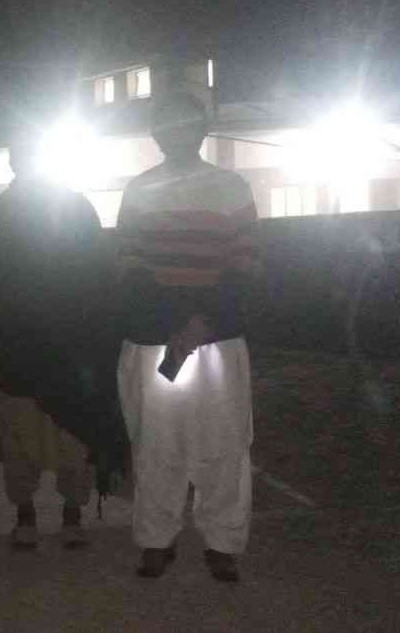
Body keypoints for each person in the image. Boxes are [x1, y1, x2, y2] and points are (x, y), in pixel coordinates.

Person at [116, 90, 262, 583]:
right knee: (156, 444)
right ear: (155, 133)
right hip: (155, 341)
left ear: (201, 129)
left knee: (224, 443)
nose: (174, 133)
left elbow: (246, 265)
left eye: (184, 124)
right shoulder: (139, 190)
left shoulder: (231, 188)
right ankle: (156, 539)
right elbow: (129, 266)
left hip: (216, 341)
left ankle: (223, 542)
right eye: (166, 125)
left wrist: (202, 322)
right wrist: (176, 322)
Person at [0, 136, 105, 550]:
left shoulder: (72, 208)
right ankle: (40, 515)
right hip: (31, 347)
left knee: (61, 435)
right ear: (14, 163)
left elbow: (96, 277)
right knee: (29, 436)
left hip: (52, 345)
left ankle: (57, 515)